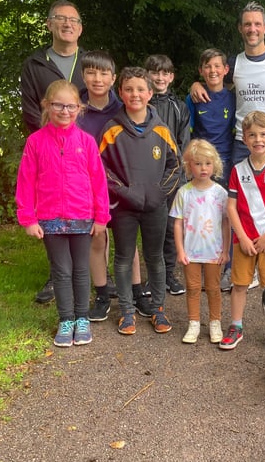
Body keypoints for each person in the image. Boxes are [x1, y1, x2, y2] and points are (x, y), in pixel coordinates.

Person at [190, 1, 265, 282]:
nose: (252, 29)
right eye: (247, 24)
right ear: (240, 28)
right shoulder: (235, 64)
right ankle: (240, 267)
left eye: (257, 24)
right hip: (243, 143)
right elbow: (216, 85)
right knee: (241, 207)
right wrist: (196, 85)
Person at [15, 80, 110, 347]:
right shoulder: (35, 142)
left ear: (79, 109)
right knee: (61, 270)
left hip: (82, 216)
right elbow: (25, 181)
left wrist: (101, 216)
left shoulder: (87, 142)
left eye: (70, 106)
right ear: (47, 105)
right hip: (50, 219)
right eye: (58, 105)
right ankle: (65, 319)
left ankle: (82, 319)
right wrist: (28, 218)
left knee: (81, 269)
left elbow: (98, 181)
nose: (64, 111)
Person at [99, 67, 180, 336]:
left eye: (140, 89)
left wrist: (159, 193)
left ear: (149, 93)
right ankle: (126, 311)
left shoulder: (161, 129)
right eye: (129, 89)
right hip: (124, 208)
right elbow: (101, 169)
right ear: (120, 92)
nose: (135, 94)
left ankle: (157, 309)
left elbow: (175, 166)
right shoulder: (110, 130)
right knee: (123, 258)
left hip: (155, 206)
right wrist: (124, 192)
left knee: (155, 258)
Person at [21, 0, 86, 304]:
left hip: (86, 147)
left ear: (80, 28)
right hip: (49, 150)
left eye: (73, 20)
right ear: (49, 24)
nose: (67, 24)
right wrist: (50, 141)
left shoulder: (89, 63)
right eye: (60, 18)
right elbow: (31, 109)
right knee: (52, 210)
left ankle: (99, 272)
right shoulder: (35, 64)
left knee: (93, 212)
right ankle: (55, 275)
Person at [77, 51, 149, 322]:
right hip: (86, 186)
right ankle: (103, 294)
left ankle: (137, 291)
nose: (97, 79)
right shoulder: (76, 109)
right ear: (83, 76)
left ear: (113, 78)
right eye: (91, 73)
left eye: (103, 73)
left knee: (126, 241)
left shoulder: (123, 108)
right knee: (97, 238)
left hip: (118, 184)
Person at [219, 111, 265, 350]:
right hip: (244, 239)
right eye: (252, 135)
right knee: (239, 284)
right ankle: (236, 326)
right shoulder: (237, 170)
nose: (258, 139)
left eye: (263, 134)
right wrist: (241, 237)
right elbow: (231, 207)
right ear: (244, 139)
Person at [170, 139, 230, 344]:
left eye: (207, 163)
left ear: (215, 164)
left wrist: (226, 251)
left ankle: (215, 322)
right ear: (189, 166)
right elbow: (177, 223)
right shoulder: (184, 192)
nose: (203, 168)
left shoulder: (221, 194)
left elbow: (225, 224)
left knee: (213, 288)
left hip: (214, 252)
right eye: (198, 163)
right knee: (193, 288)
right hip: (191, 252)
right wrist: (180, 250)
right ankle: (193, 323)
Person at [145, 54, 192, 297]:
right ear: (147, 75)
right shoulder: (140, 103)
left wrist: (180, 176)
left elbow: (185, 143)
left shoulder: (180, 107)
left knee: (173, 227)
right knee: (153, 227)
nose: (160, 77)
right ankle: (153, 276)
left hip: (174, 176)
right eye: (155, 72)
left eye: (164, 73)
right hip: (147, 177)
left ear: (171, 77)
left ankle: (169, 274)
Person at [185, 48, 236, 190]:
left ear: (226, 69)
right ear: (201, 71)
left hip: (224, 162)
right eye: (207, 66)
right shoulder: (193, 98)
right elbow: (187, 133)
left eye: (217, 66)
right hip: (200, 162)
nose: (212, 70)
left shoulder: (234, 99)